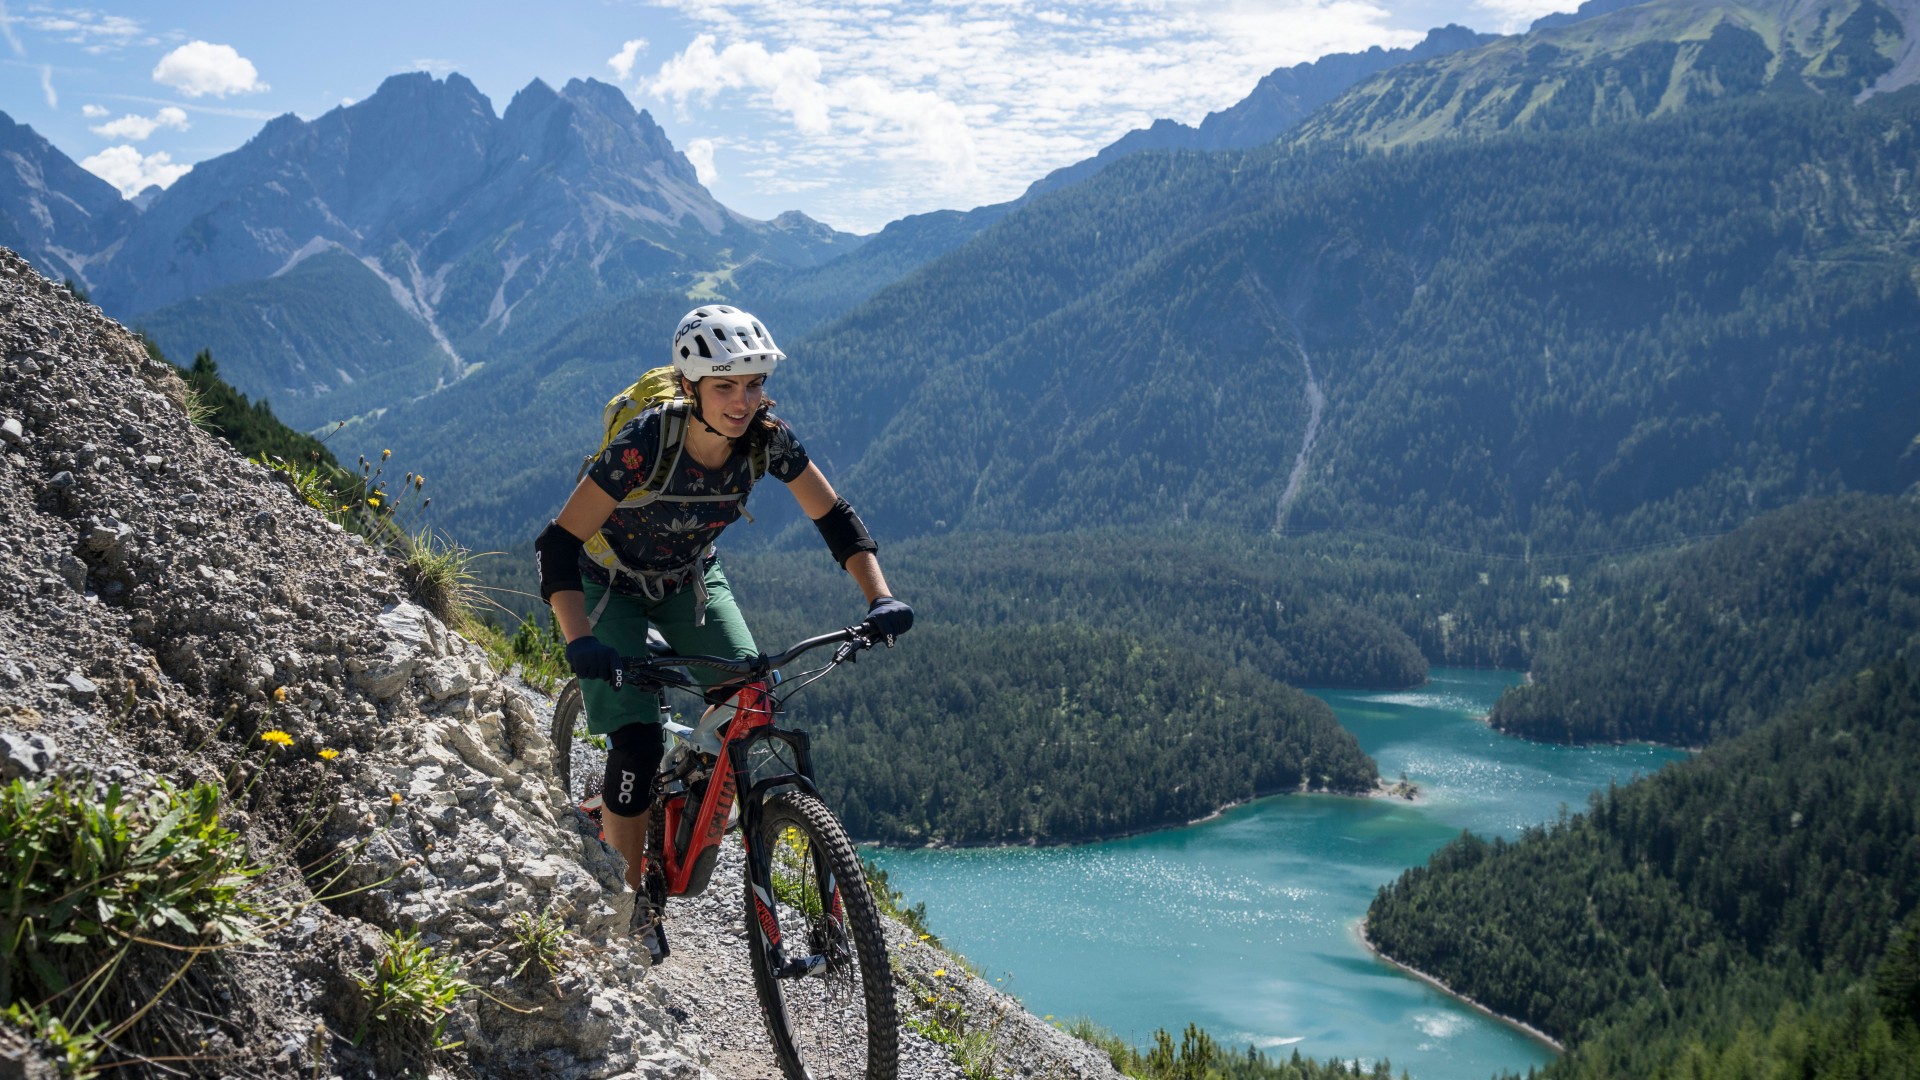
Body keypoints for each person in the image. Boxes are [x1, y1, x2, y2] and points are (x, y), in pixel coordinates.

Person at [532, 305, 912, 962]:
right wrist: (578, 641)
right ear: (690, 389)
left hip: (689, 578)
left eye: (756, 383)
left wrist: (879, 597)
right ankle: (630, 900)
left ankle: (688, 795)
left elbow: (836, 519)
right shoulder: (645, 445)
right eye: (726, 385)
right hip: (607, 581)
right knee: (637, 741)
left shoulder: (768, 439)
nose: (744, 401)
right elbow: (557, 544)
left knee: (751, 699)